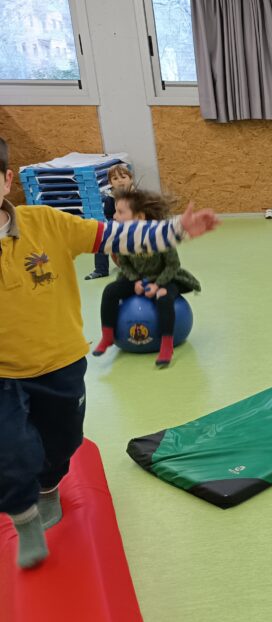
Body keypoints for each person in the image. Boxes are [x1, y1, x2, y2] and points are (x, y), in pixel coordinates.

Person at [0, 136, 218, 570]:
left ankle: (48, 487)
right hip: (4, 373)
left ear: (7, 181)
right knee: (10, 449)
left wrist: (174, 229)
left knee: (63, 440)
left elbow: (115, 235)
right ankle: (24, 518)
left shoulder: (46, 223)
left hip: (59, 362)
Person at [91, 189, 202, 369]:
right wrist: (135, 281)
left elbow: (173, 265)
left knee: (163, 297)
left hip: (166, 278)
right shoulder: (121, 238)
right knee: (110, 291)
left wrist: (158, 285)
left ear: (139, 217)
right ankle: (108, 336)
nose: (114, 216)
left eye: (120, 212)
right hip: (137, 280)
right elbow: (124, 264)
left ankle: (166, 346)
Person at [85, 162, 134, 280]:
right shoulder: (110, 199)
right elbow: (109, 215)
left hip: (138, 228)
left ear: (131, 179)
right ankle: (101, 270)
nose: (120, 181)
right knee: (101, 237)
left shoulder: (139, 196)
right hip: (119, 229)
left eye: (123, 177)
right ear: (110, 183)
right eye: (115, 178)